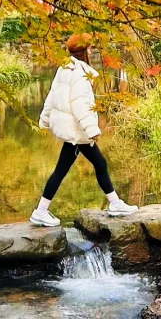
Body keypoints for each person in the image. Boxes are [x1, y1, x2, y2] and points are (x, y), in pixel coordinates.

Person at [30, 33, 138, 226]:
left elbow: (52, 96)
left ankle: (41, 211)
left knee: (69, 169)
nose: (91, 50)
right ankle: (114, 204)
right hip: (77, 131)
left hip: (72, 130)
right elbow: (80, 104)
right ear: (84, 51)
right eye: (89, 48)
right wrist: (91, 129)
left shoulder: (65, 68)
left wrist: (44, 119)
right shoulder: (80, 74)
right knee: (98, 163)